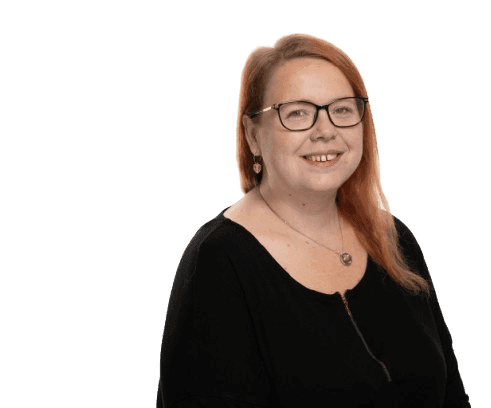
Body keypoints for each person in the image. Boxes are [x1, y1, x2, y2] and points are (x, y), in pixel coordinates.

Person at [156, 33, 471, 408]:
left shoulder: (394, 239)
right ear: (253, 136)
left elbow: (451, 397)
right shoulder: (218, 262)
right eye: (297, 113)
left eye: (342, 109)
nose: (325, 131)